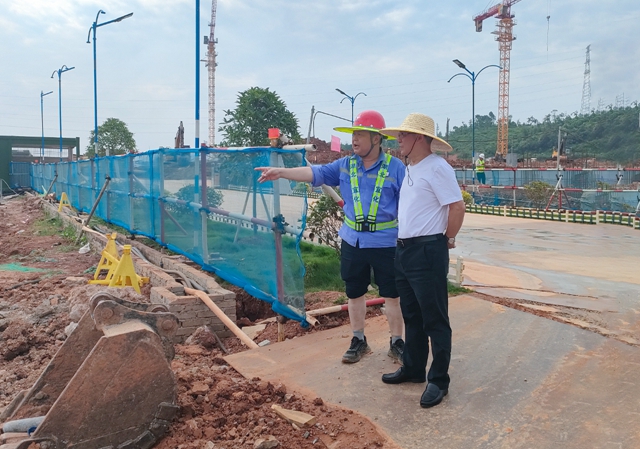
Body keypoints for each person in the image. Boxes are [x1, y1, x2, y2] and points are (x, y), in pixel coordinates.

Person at [256, 110, 406, 364]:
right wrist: (281, 172)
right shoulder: (345, 164)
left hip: (385, 242)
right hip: (352, 240)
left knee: (392, 294)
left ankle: (397, 341)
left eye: (360, 135)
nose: (354, 140)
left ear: (377, 139)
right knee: (354, 292)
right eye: (353, 134)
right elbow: (314, 173)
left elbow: (410, 205)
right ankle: (358, 339)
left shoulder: (396, 168)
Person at [378, 113, 465, 408]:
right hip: (404, 250)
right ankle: (414, 368)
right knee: (412, 314)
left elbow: (456, 207)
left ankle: (438, 380)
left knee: (434, 318)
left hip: (427, 250)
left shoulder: (437, 168)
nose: (398, 139)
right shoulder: (412, 167)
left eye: (403, 135)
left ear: (419, 138)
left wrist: (447, 239)